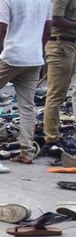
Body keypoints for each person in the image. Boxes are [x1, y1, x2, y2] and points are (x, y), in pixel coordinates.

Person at [0, 0, 52, 164]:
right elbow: (48, 28)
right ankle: (27, 152)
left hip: (13, 56)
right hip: (34, 58)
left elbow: (1, 29)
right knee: (27, 105)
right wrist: (37, 50)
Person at [43, 0, 76, 151]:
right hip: (60, 45)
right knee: (56, 94)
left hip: (72, 44)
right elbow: (55, 19)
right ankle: (51, 138)